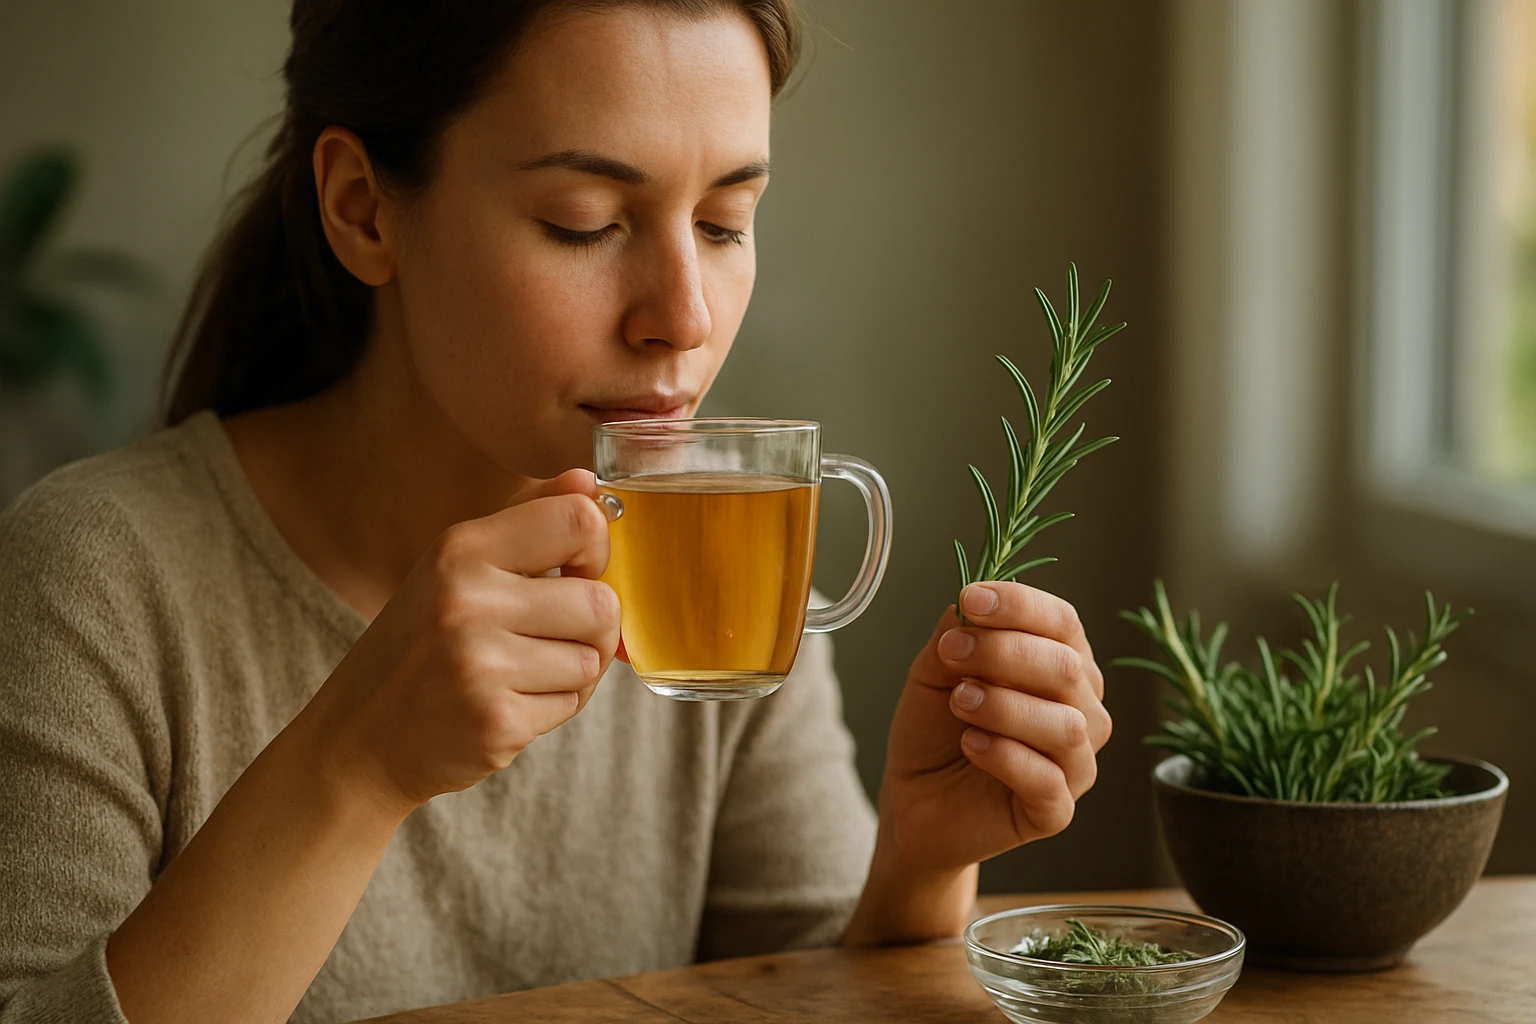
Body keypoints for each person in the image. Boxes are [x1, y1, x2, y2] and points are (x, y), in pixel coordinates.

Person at [0, 2, 1112, 1021]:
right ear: (361, 209)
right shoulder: (93, 578)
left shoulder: (715, 581)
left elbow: (807, 997)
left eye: (726, 222)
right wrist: (356, 765)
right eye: (584, 222)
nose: (682, 317)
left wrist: (920, 867)